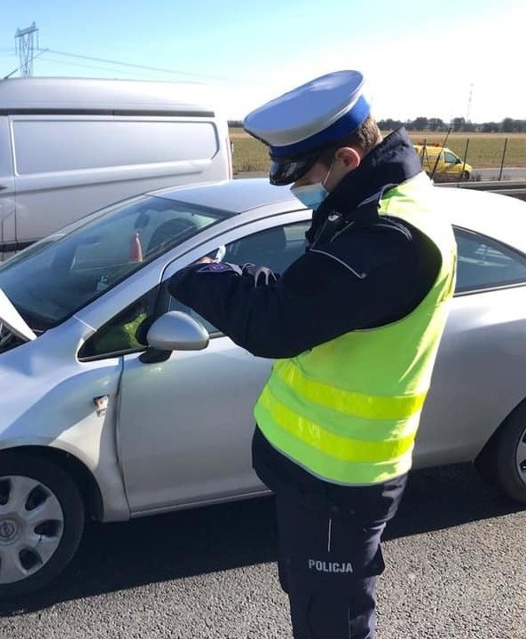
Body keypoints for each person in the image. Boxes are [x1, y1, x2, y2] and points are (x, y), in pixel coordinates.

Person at [168, 70, 456, 638]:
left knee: (331, 622)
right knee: (316, 603)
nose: (301, 190)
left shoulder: (390, 237)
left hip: (339, 482)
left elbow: (279, 318)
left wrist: (200, 275)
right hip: (321, 475)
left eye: (304, 176)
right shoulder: (378, 201)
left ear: (348, 159)